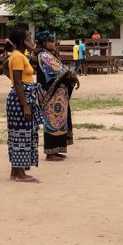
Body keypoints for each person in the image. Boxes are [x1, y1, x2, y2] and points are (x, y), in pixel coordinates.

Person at [35, 30, 79, 161]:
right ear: (45, 43)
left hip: (58, 96)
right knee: (53, 122)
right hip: (51, 96)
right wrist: (72, 75)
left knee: (60, 122)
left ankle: (58, 149)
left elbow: (62, 68)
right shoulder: (44, 56)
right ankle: (51, 152)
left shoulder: (50, 54)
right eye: (52, 41)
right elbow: (60, 70)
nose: (54, 43)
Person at [6, 28, 41, 182]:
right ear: (21, 41)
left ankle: (15, 172)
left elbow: (4, 67)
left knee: (19, 134)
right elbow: (19, 82)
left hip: (22, 97)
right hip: (21, 99)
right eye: (28, 38)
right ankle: (19, 174)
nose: (31, 41)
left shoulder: (20, 55)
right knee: (21, 135)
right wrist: (25, 105)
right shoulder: (18, 57)